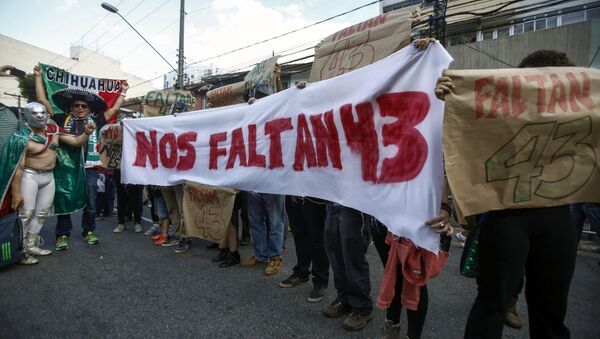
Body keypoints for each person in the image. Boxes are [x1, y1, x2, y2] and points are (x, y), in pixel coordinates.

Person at [435, 50, 579, 339]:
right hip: (505, 215)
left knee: (551, 311)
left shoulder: (582, 107)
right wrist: (447, 101)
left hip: (559, 214)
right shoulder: (499, 110)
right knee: (492, 304)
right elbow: (462, 136)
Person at [34, 65, 129, 249]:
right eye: (76, 105)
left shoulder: (97, 121)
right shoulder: (61, 119)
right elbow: (42, 100)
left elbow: (115, 108)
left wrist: (123, 91)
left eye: (84, 106)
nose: (80, 108)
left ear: (89, 109)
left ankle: (89, 231)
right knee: (65, 200)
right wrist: (38, 77)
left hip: (89, 169)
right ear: (71, 107)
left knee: (91, 202)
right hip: (66, 167)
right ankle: (62, 234)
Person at [0, 102, 93, 264]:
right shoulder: (21, 138)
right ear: (27, 116)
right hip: (29, 177)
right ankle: (20, 251)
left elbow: (76, 142)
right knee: (25, 214)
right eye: (35, 114)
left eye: (43, 113)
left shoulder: (53, 131)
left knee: (42, 213)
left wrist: (86, 133)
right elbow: (18, 168)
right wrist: (15, 193)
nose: (40, 117)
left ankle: (31, 245)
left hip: (49, 177)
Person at [279, 196, 329, 303]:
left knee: (316, 237)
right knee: (298, 233)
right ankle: (301, 272)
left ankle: (321, 281)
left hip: (313, 194)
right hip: (293, 191)